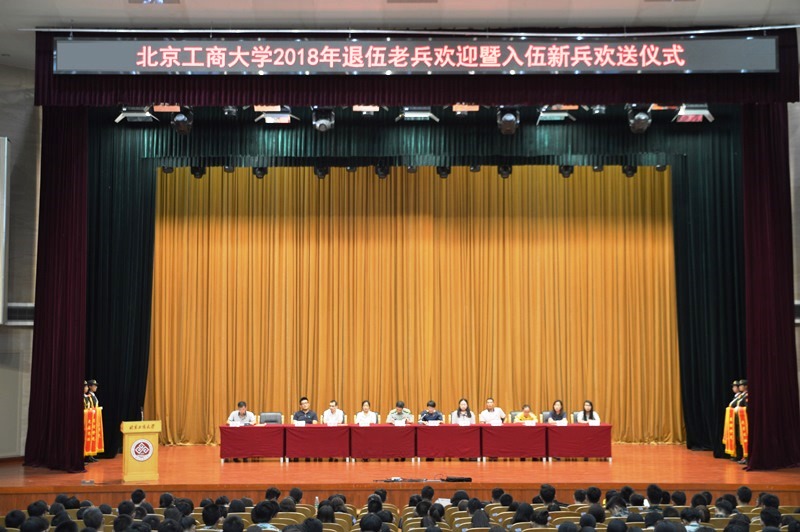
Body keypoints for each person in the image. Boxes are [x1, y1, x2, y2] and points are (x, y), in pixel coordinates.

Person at [84, 379, 105, 462]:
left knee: (92, 437)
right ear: (90, 387)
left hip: (92, 418)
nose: (96, 387)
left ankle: (90, 455)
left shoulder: (91, 396)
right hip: (87, 419)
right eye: (94, 385)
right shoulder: (88, 396)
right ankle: (86, 456)